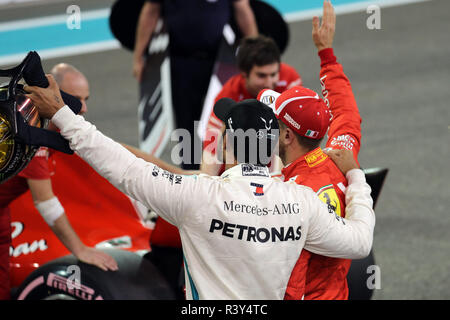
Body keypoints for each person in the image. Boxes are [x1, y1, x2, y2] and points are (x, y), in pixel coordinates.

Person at [25, 76, 375, 299]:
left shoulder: (197, 196)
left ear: (226, 146)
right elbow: (359, 242)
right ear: (274, 147)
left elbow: (121, 167)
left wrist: (60, 113)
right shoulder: (303, 202)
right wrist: (356, 178)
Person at [257, 1, 363, 300]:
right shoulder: (341, 156)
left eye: (275, 121)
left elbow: (288, 280)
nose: (271, 126)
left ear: (288, 134)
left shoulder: (290, 195)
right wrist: (326, 54)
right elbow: (346, 112)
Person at [0, 64, 117, 301]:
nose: (83, 107)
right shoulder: (29, 132)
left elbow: (117, 149)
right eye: (75, 99)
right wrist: (80, 250)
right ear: (51, 94)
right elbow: (45, 202)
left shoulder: (37, 121)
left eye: (86, 99)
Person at [133, 0, 258, 170]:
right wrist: (139, 56)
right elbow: (151, 10)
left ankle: (223, 170)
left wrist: (255, 53)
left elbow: (242, 9)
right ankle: (191, 171)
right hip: (180, 61)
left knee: (220, 116)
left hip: (219, 60)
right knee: (186, 120)